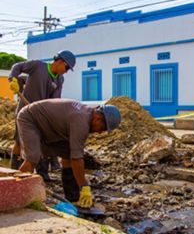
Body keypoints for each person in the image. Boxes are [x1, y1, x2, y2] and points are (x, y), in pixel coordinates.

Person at [17, 98, 121, 208]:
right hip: (30, 119)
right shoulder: (81, 122)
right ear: (98, 118)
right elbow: (77, 159)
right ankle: (14, 191)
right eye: (102, 128)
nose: (100, 132)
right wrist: (84, 187)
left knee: (68, 153)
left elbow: (73, 156)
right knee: (33, 157)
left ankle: (72, 197)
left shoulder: (85, 116)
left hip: (48, 126)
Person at [8, 50, 76, 180]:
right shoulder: (38, 66)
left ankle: (41, 174)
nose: (66, 71)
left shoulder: (59, 79)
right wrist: (12, 79)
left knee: (40, 142)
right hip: (24, 112)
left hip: (40, 116)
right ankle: (12, 171)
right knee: (19, 142)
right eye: (67, 67)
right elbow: (17, 67)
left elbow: (54, 101)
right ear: (60, 61)